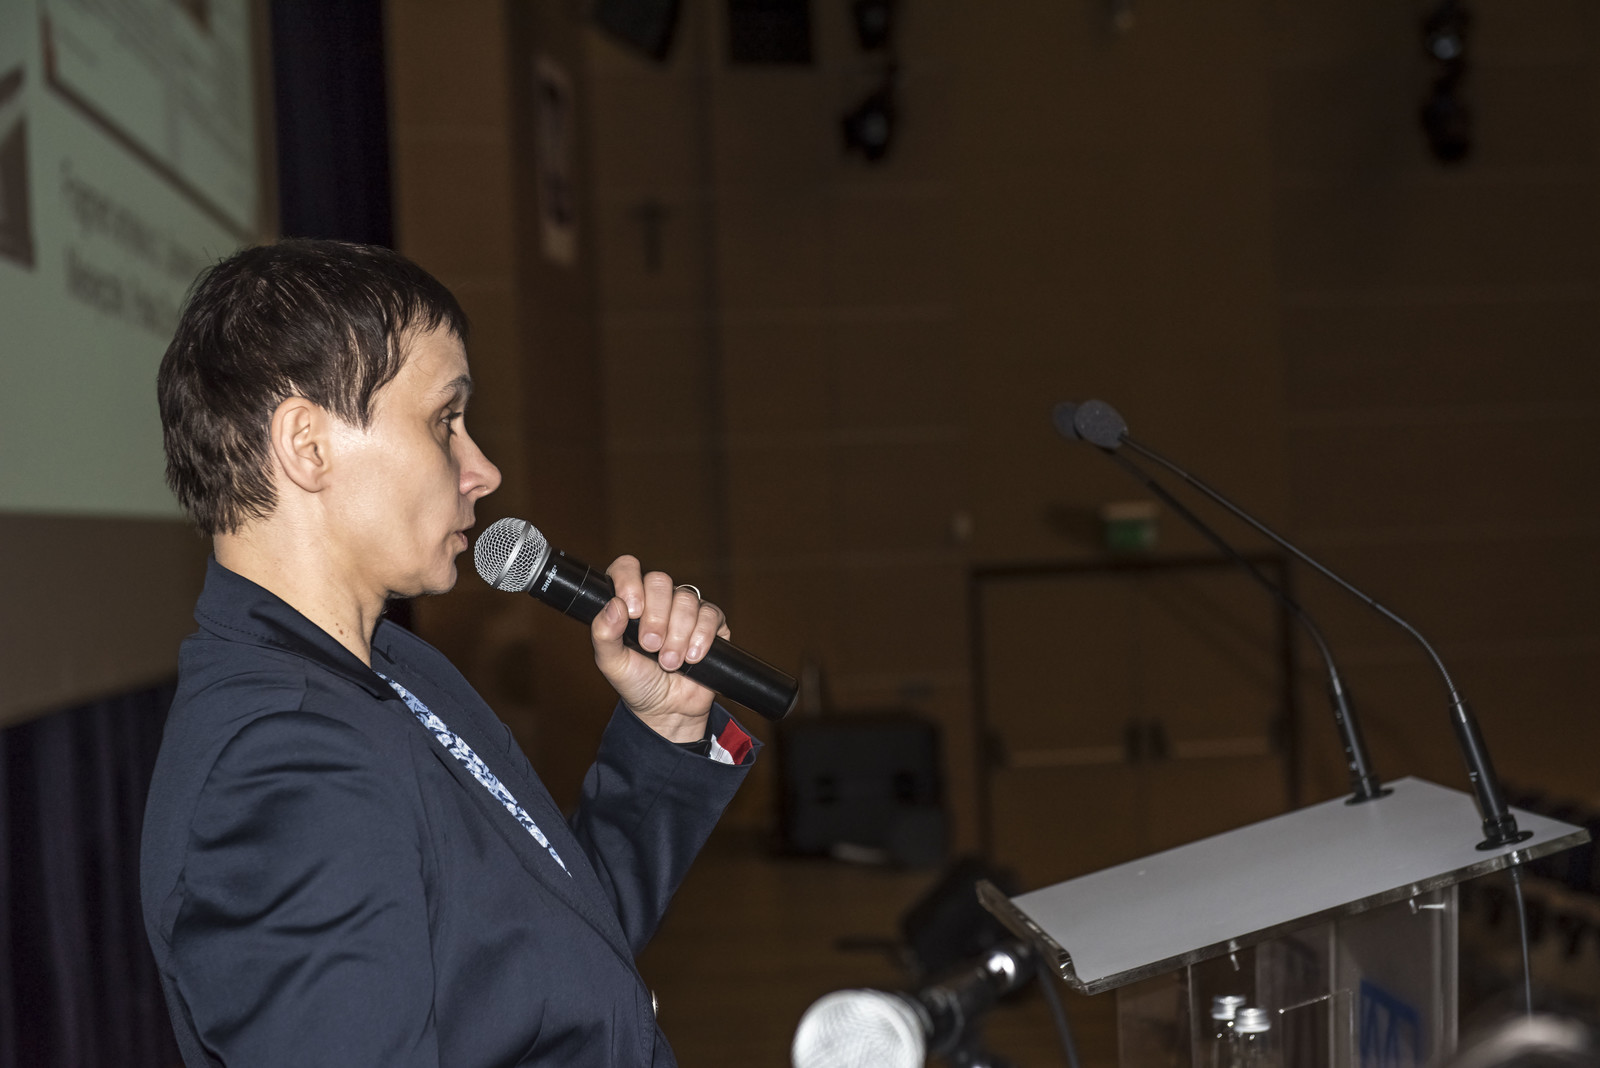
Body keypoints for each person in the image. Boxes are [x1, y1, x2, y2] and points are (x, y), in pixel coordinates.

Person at [139, 239, 758, 1066]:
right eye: (444, 422)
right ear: (307, 445)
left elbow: (553, 946)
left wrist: (664, 730)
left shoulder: (391, 667)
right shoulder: (279, 768)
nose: (483, 469)